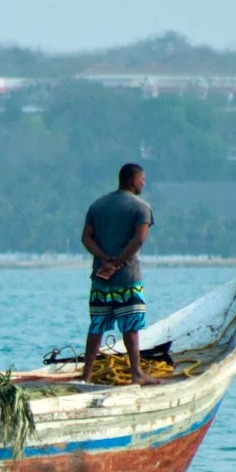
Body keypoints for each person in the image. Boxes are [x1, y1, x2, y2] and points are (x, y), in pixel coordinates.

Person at [81, 163, 160, 386]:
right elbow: (139, 240)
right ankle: (136, 374)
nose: (143, 183)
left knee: (97, 325)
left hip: (100, 277)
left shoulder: (97, 205)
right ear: (131, 180)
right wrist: (117, 263)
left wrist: (104, 259)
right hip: (127, 278)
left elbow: (86, 238)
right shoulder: (141, 208)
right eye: (141, 179)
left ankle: (86, 376)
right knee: (131, 327)